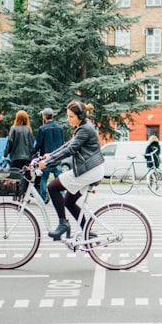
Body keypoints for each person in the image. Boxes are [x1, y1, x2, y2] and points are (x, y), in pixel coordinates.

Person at [37, 101, 105, 241]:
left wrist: (48, 162)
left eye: (71, 116)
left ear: (80, 116)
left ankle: (63, 223)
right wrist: (50, 155)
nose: (68, 119)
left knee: (52, 187)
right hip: (92, 169)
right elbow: (68, 145)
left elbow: (70, 150)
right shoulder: (83, 126)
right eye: (67, 116)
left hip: (88, 170)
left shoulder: (85, 129)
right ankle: (88, 233)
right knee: (68, 201)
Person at [33, 107, 65, 202]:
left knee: (44, 179)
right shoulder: (59, 128)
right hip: (57, 158)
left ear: (44, 117)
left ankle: (43, 198)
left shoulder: (42, 129)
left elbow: (38, 144)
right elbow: (62, 143)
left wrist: (34, 152)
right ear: (52, 116)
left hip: (46, 159)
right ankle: (63, 197)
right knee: (59, 179)